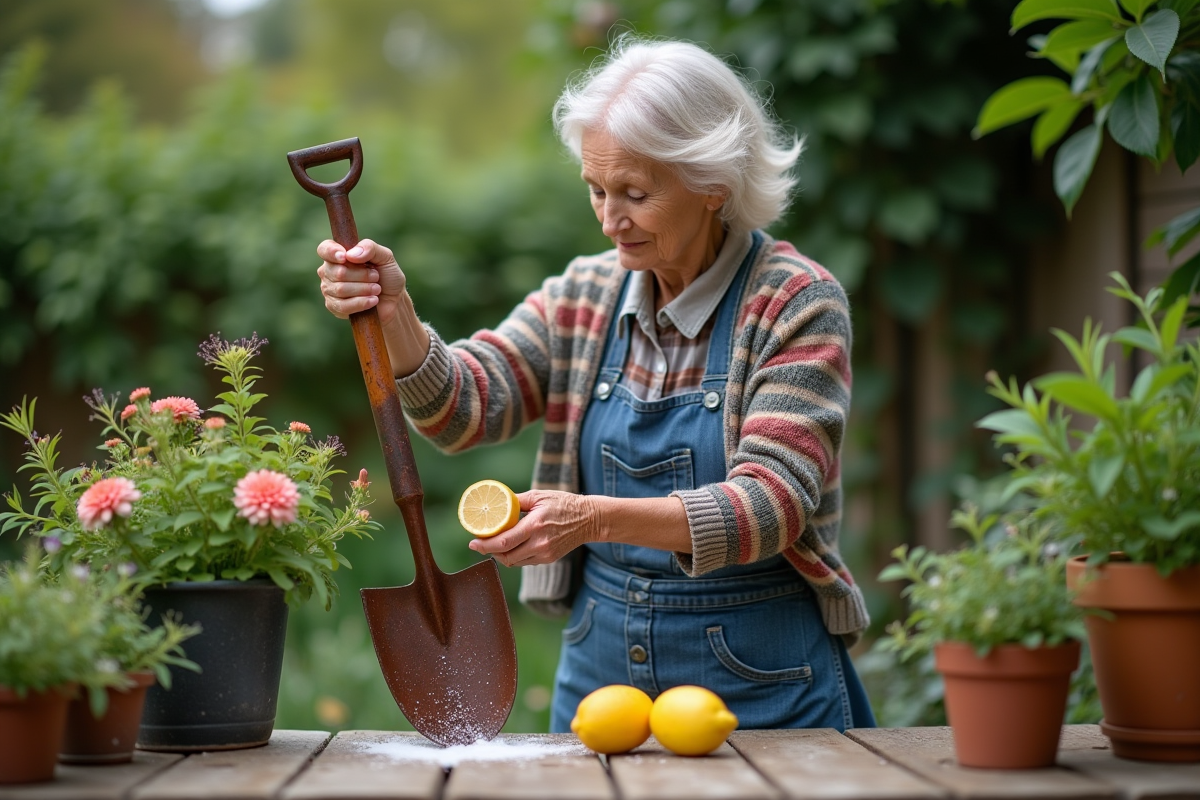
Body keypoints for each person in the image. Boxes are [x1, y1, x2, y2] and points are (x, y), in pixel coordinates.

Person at [315, 36, 876, 732]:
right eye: (596, 189)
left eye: (636, 194)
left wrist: (594, 517)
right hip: (599, 671)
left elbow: (771, 505)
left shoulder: (795, 303)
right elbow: (464, 409)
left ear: (713, 185)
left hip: (762, 679)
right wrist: (397, 316)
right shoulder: (585, 293)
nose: (610, 218)